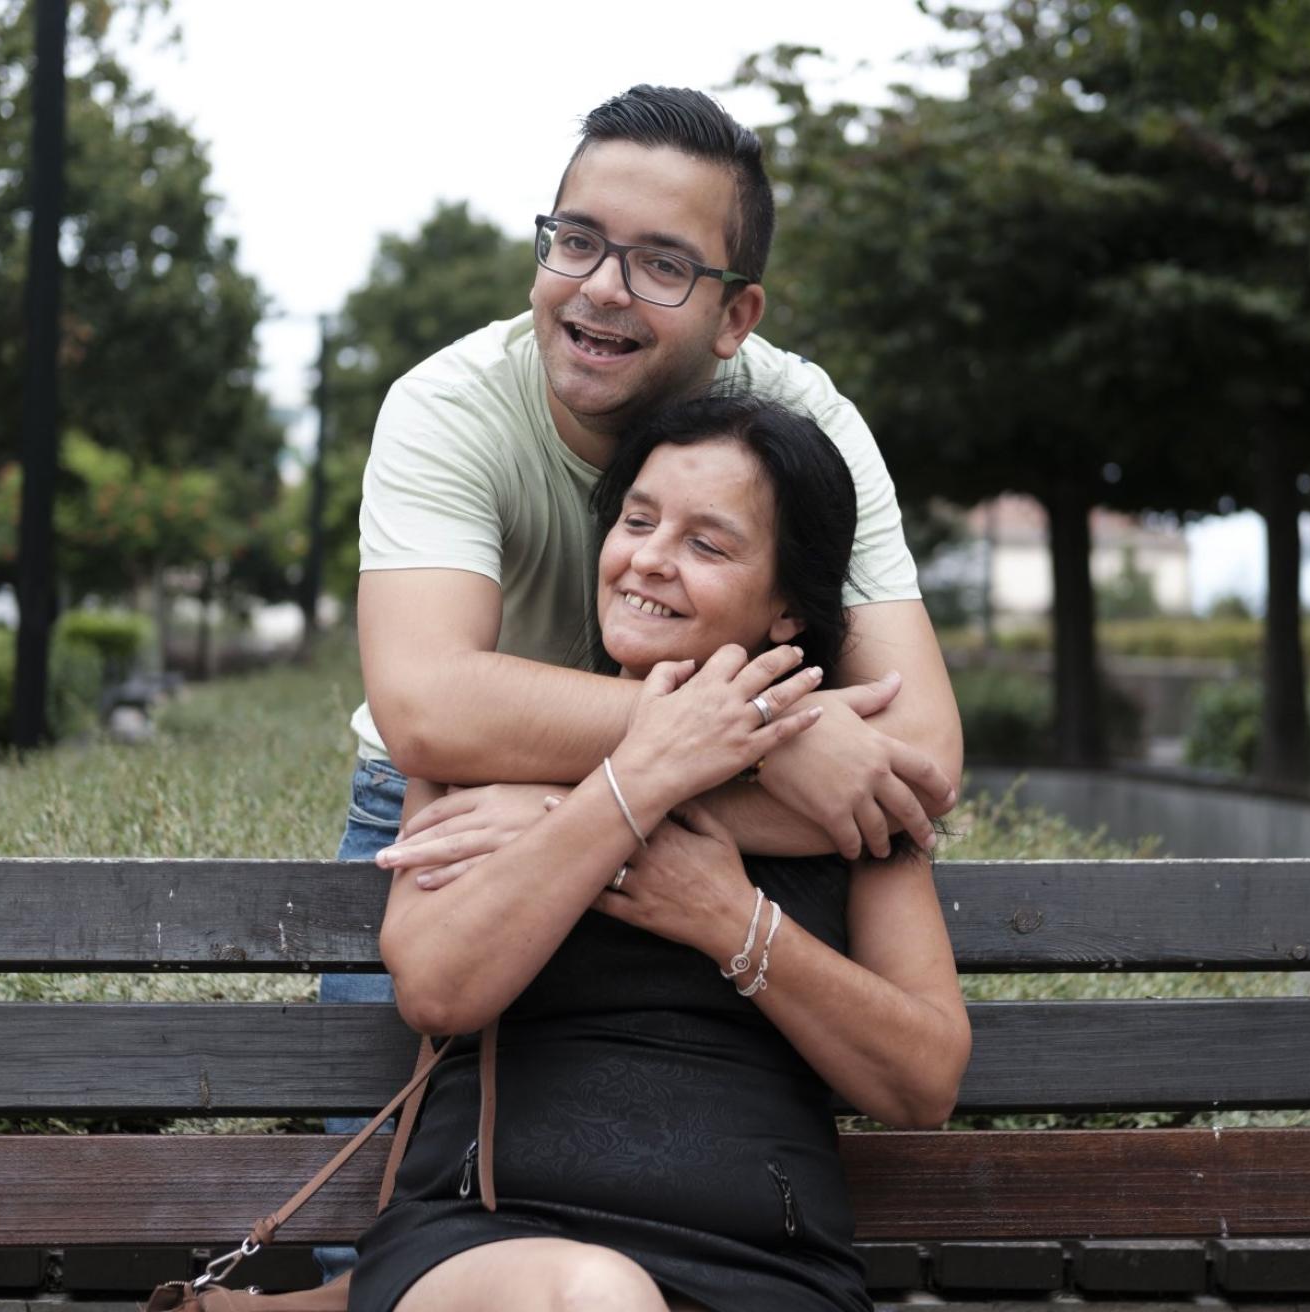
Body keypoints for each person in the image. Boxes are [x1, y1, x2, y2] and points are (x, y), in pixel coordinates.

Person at [319, 83, 963, 1272]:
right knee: (369, 1218)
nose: (602, 286)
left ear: (738, 313)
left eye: (663, 262)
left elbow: (912, 763)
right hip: (468, 801)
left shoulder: (804, 423)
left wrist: (623, 804)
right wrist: (749, 738)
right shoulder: (451, 407)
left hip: (701, 829)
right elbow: (429, 710)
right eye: (576, 240)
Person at [348, 392, 972, 1312]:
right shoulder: (487, 747)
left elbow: (923, 1080)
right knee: (599, 1296)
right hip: (492, 1245)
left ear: (790, 608)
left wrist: (728, 917)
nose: (648, 559)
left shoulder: (845, 794)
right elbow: (439, 986)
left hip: (770, 1267)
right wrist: (627, 791)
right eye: (637, 521)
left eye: (707, 545)